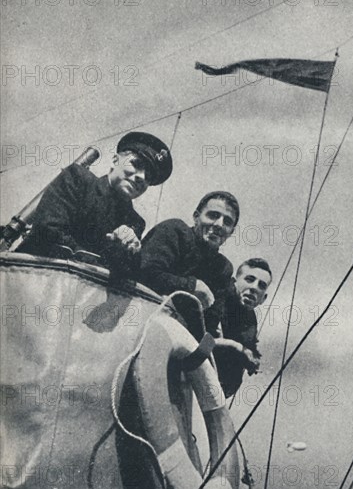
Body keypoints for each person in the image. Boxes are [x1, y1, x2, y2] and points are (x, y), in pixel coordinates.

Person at [17, 131, 172, 275]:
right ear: (115, 160)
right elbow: (48, 231)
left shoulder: (135, 223)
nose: (142, 177)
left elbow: (124, 276)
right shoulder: (77, 179)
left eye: (149, 176)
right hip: (31, 278)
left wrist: (129, 252)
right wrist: (99, 264)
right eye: (136, 164)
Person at [139, 191, 239, 336]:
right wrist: (191, 286)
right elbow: (145, 271)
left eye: (227, 222)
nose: (219, 225)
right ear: (196, 217)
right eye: (213, 215)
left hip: (178, 338)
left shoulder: (223, 268)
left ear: (231, 232)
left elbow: (209, 323)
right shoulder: (174, 231)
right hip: (140, 318)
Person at [214, 258, 272, 398]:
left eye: (261, 285)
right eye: (249, 279)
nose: (254, 288)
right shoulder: (215, 299)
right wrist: (236, 347)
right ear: (234, 282)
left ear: (263, 299)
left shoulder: (250, 322)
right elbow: (196, 341)